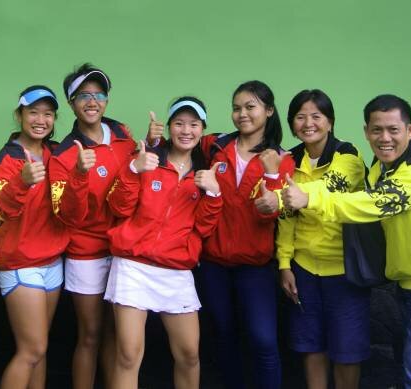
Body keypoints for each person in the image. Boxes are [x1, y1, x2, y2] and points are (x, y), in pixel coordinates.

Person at [282, 94, 411, 389]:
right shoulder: (383, 162)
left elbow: (371, 203)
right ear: (366, 131)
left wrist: (310, 198)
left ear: (410, 131)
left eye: (393, 130)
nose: (384, 138)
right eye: (376, 130)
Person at [147, 80, 295, 389]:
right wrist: (154, 143)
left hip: (254, 265)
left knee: (263, 340)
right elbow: (181, 143)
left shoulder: (282, 158)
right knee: (223, 336)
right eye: (237, 108)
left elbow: (270, 211)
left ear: (268, 111)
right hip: (213, 261)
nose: (242, 114)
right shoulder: (214, 145)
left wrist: (271, 174)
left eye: (251, 107)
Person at [105, 97, 223, 389]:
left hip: (175, 270)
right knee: (128, 355)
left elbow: (204, 227)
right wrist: (133, 169)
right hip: (133, 265)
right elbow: (119, 207)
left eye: (194, 124)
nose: (186, 130)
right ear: (169, 127)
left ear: (202, 129)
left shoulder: (203, 172)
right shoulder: (149, 160)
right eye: (179, 123)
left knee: (189, 354)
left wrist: (214, 194)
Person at [48, 63, 136, 389]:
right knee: (91, 334)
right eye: (83, 95)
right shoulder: (63, 153)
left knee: (116, 333)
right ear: (71, 102)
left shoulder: (124, 137)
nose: (92, 101)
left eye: (99, 94)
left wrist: (153, 146)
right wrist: (79, 177)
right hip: (86, 253)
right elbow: (65, 215)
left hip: (123, 252)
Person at [276, 89, 369, 389]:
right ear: (292, 124)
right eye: (300, 117)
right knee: (311, 345)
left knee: (347, 351)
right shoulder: (289, 160)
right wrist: (284, 263)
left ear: (330, 122)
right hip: (303, 268)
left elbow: (330, 188)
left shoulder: (348, 155)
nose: (308, 123)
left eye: (316, 116)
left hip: (345, 271)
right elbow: (286, 217)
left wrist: (286, 197)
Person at [0, 85, 68, 389]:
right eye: (33, 112)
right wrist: (22, 182)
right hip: (21, 263)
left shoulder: (55, 153)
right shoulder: (8, 158)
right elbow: (1, 209)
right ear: (19, 115)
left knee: (41, 348)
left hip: (52, 260)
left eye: (47, 114)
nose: (40, 120)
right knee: (31, 349)